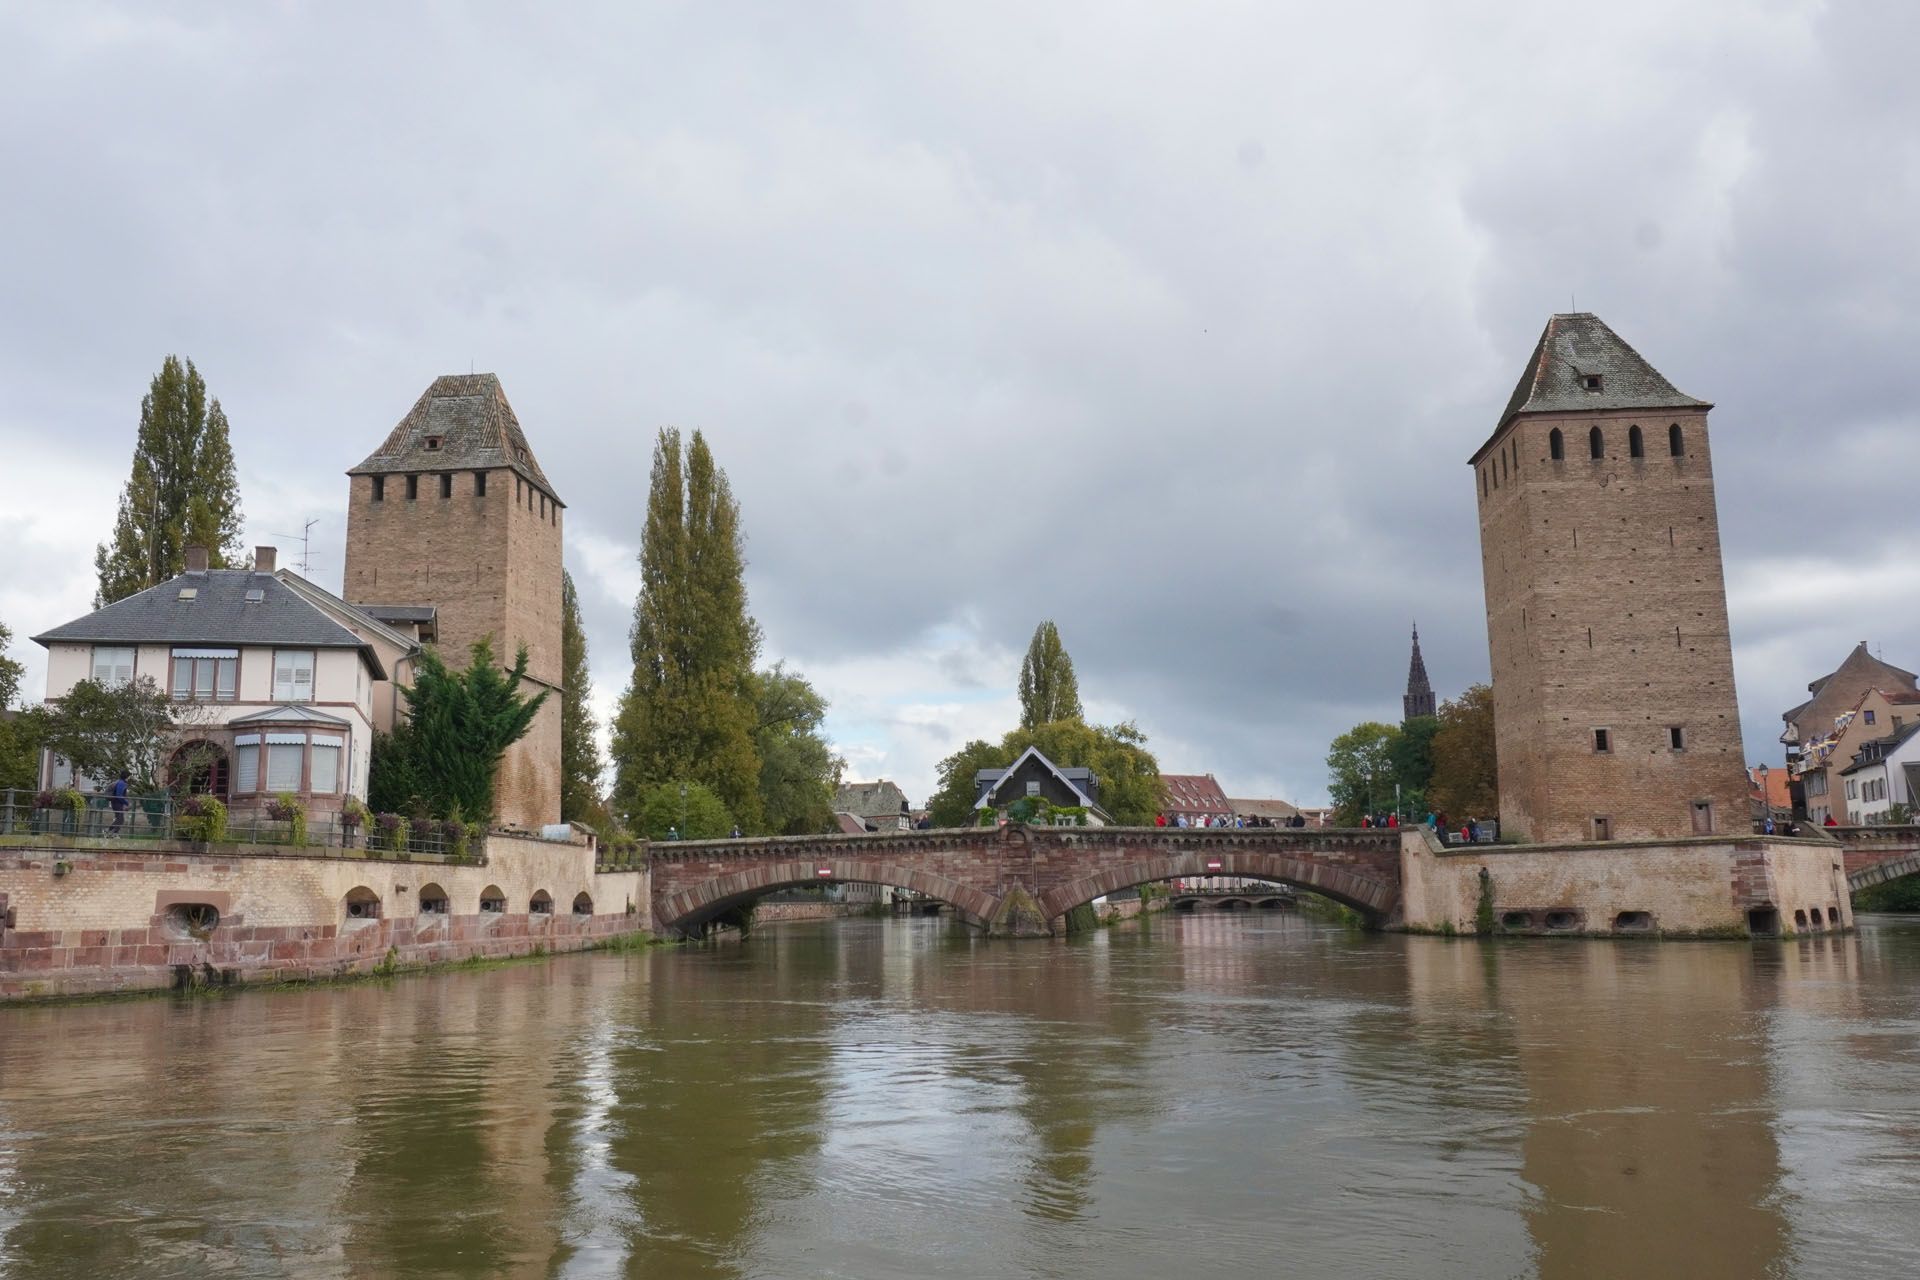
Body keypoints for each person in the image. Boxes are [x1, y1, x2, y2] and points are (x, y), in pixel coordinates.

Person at [108, 771, 130, 835]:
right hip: (117, 803)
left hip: (116, 803)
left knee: (119, 819)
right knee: (120, 819)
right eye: (129, 777)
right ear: (127, 777)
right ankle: (110, 832)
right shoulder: (121, 783)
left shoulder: (119, 782)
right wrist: (127, 803)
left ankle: (113, 833)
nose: (129, 778)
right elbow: (119, 795)